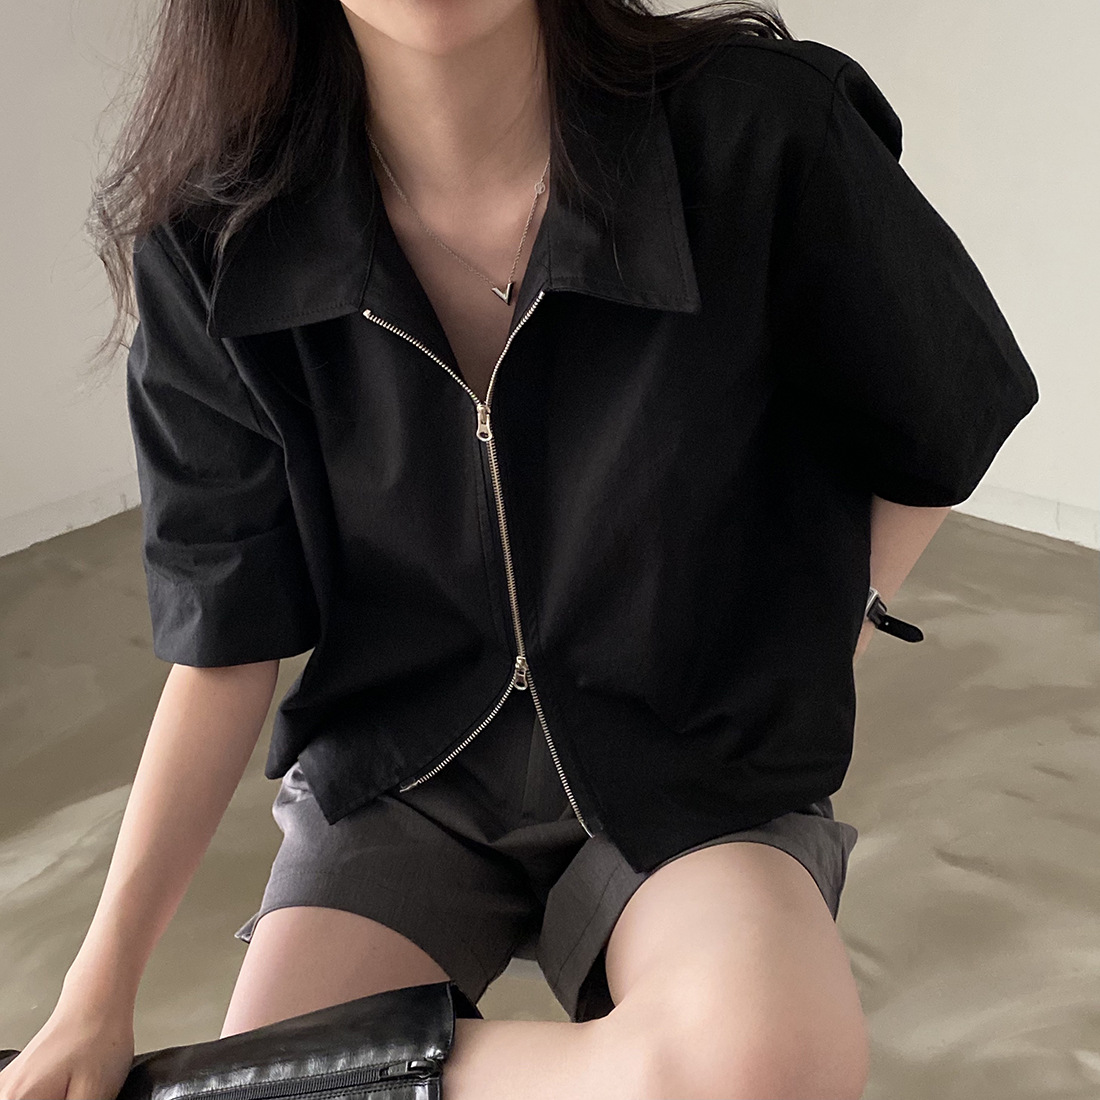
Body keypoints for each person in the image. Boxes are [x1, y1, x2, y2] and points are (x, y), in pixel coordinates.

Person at [0, 0, 1038, 1098]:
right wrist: (96, 993)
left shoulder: (758, 130)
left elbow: (946, 414)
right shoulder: (216, 237)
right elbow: (222, 640)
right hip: (402, 773)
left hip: (691, 750)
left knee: (758, 1069)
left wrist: (828, 630)